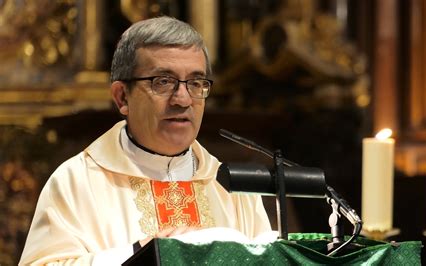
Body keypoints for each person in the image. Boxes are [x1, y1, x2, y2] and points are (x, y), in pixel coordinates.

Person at [20, 16, 271, 265]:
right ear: (122, 97)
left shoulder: (234, 188)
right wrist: (138, 254)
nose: (183, 99)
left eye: (195, 83)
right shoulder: (76, 182)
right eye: (163, 82)